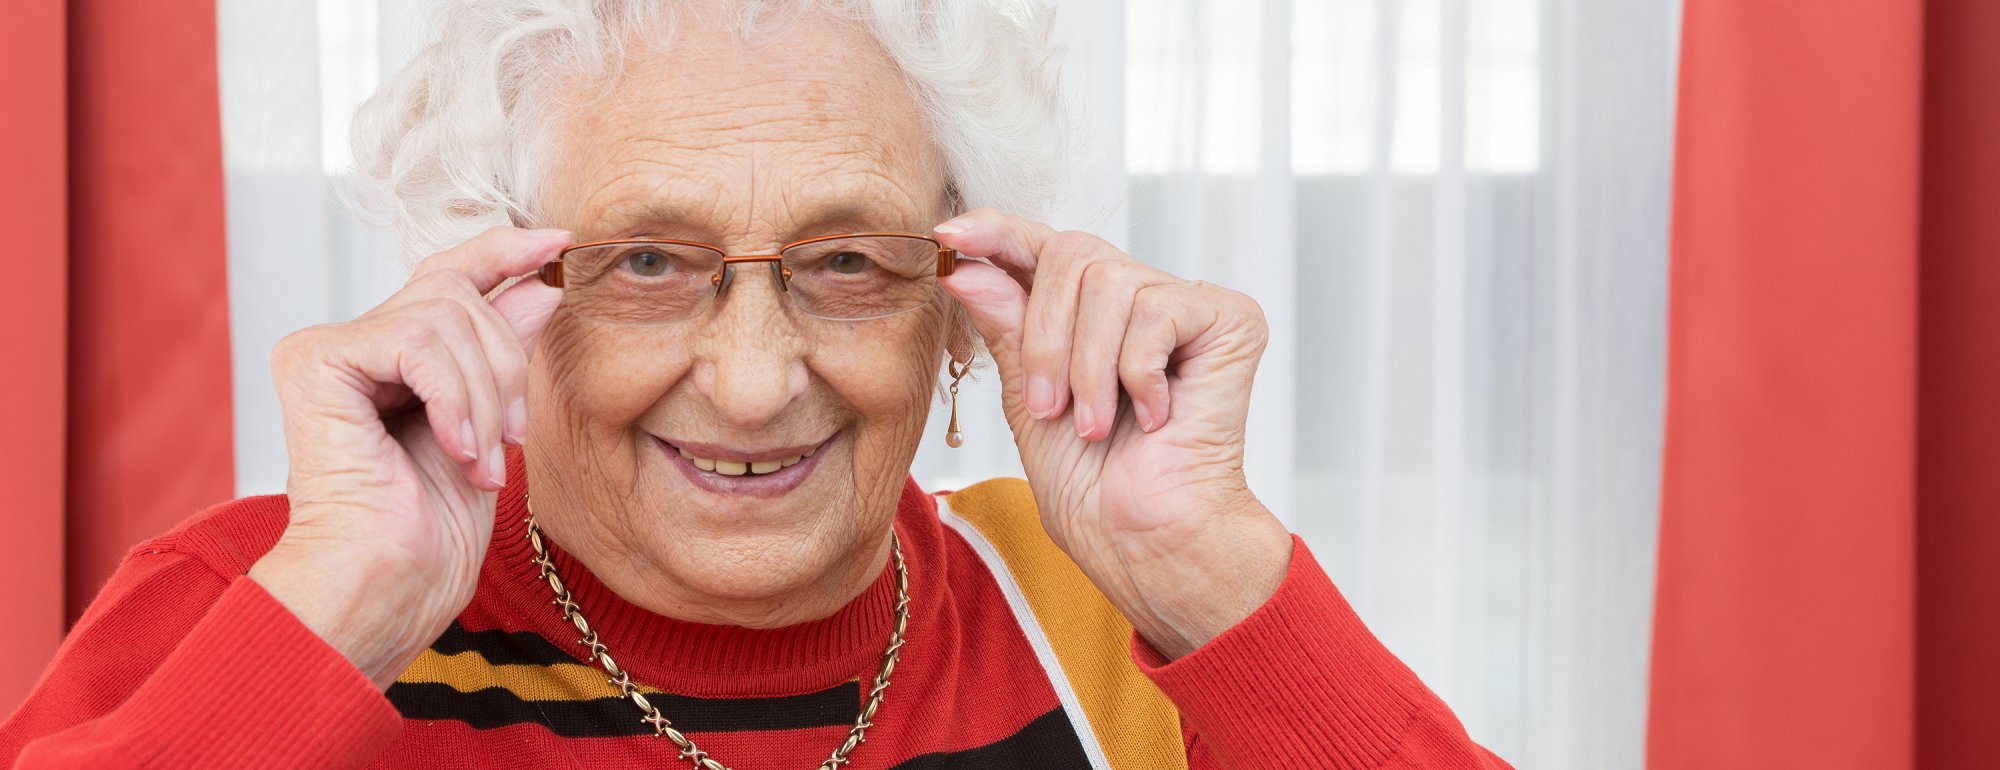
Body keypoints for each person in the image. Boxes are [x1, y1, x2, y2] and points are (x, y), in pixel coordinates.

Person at [0, 1, 1509, 768]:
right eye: (649, 260)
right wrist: (334, 610)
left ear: (967, 306)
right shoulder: (260, 610)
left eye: (846, 260)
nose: (749, 379)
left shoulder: (1116, 620)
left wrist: (1211, 569)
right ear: (503, 291)